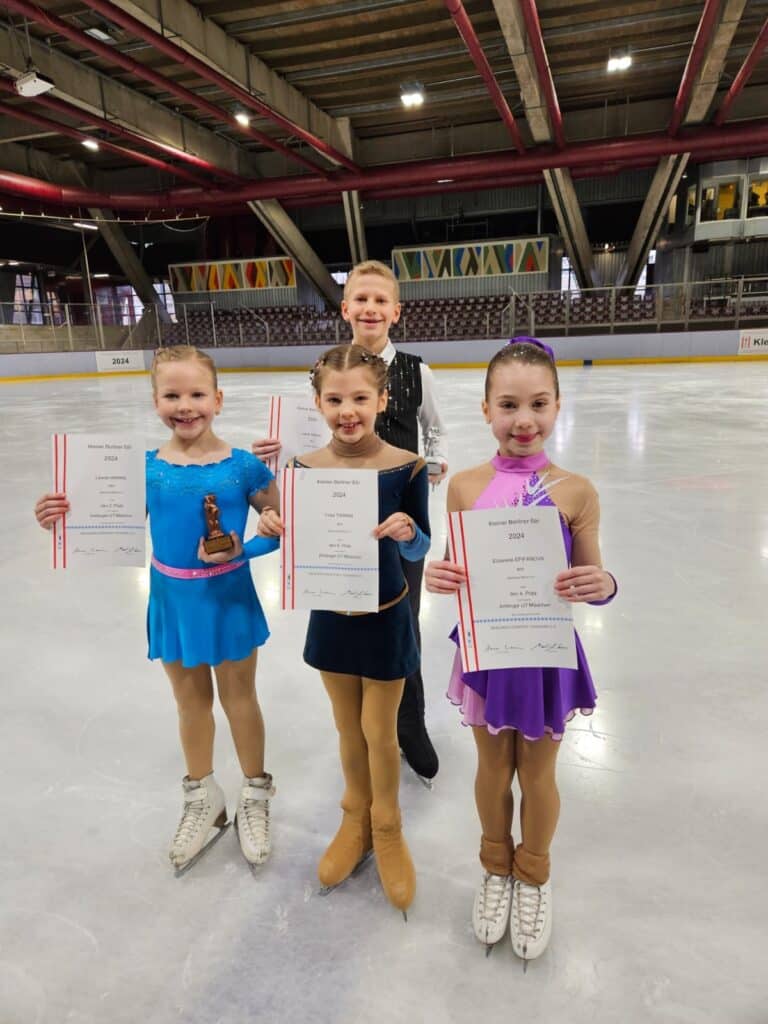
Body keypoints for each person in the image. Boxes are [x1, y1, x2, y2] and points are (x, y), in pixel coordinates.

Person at [34, 345, 281, 875]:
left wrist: (247, 547)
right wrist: (61, 518)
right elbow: (105, 526)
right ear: (155, 401)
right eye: (172, 395)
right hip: (172, 601)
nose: (184, 405)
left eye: (196, 394)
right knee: (190, 704)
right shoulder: (142, 469)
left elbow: (285, 527)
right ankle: (203, 797)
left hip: (229, 598)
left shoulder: (244, 467)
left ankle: (255, 794)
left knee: (240, 699)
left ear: (218, 398)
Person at [424, 338, 617, 961]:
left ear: (558, 406)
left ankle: (534, 873)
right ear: (485, 410)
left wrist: (603, 584)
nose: (523, 419)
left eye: (538, 403)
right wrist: (439, 572)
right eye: (508, 405)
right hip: (487, 650)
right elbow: (457, 566)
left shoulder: (577, 491)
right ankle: (495, 865)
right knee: (490, 767)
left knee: (536, 773)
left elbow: (597, 578)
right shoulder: (465, 486)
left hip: (545, 654)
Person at [254, 259, 446, 783]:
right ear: (345, 309)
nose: (370, 308)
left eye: (380, 301)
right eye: (361, 299)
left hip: (399, 514)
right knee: (345, 613)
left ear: (395, 312)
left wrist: (434, 466)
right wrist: (277, 452)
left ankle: (410, 723)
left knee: (403, 622)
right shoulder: (325, 370)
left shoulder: (415, 370)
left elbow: (435, 431)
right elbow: (310, 441)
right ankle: (361, 720)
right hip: (337, 518)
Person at [258, 343, 430, 915]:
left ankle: (388, 827)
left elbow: (424, 541)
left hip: (386, 620)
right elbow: (289, 540)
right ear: (318, 402)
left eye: (360, 397)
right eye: (334, 399)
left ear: (382, 399)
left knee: (380, 732)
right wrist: (275, 524)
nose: (347, 410)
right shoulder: (303, 469)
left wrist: (409, 532)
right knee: (345, 729)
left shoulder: (407, 466)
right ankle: (354, 817)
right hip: (331, 618)